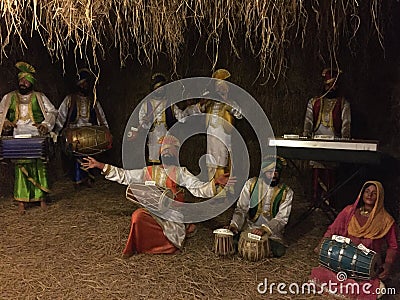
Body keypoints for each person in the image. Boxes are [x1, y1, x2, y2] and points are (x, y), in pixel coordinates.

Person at [81, 135, 232, 257]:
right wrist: (100, 165)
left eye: (170, 151)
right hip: (153, 211)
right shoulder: (149, 170)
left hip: (172, 213)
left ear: (175, 154)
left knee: (173, 234)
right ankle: (143, 247)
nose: (166, 153)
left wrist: (216, 183)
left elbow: (198, 189)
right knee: (137, 216)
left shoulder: (180, 172)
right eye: (164, 150)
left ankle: (174, 238)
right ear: (160, 153)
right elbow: (125, 176)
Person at [310, 181, 398, 300]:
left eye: (374, 193)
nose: (369, 195)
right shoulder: (349, 212)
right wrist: (321, 246)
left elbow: (393, 246)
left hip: (366, 267)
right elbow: (332, 230)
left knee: (376, 288)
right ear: (362, 193)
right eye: (367, 191)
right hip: (343, 263)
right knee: (321, 275)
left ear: (380, 196)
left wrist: (387, 264)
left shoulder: (386, 220)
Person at [0, 61, 58, 214]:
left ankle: (41, 198)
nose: (23, 83)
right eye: (21, 80)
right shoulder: (9, 97)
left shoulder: (40, 97)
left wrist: (45, 124)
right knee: (21, 169)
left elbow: (52, 112)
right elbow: (0, 113)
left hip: (36, 137)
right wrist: (5, 122)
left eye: (26, 80)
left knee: (39, 167)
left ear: (31, 82)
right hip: (17, 137)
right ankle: (21, 201)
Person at [226, 156, 294, 257]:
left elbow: (281, 219)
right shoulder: (251, 184)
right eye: (270, 172)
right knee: (230, 241)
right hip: (249, 229)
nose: (273, 175)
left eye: (276, 172)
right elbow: (241, 209)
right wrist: (234, 225)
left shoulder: (286, 192)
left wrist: (264, 230)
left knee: (279, 251)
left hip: (271, 234)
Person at [303, 68, 351, 206]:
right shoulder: (314, 102)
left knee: (332, 173)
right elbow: (308, 122)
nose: (332, 88)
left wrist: (344, 141)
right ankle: (316, 202)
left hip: (334, 142)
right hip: (316, 142)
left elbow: (346, 124)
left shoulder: (343, 103)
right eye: (329, 85)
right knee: (316, 172)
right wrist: (306, 138)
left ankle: (330, 203)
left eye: (334, 85)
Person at [55, 68, 109, 187]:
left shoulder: (93, 100)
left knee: (91, 151)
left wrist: (106, 130)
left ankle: (89, 177)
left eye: (86, 83)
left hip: (90, 131)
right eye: (82, 83)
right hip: (74, 132)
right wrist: (56, 132)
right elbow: (61, 116)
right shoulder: (70, 99)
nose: (84, 86)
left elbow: (101, 116)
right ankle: (78, 179)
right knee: (75, 154)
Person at [201, 69, 242, 196]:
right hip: (211, 136)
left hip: (223, 135)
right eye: (217, 86)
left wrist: (228, 104)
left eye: (222, 86)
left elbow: (239, 114)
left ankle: (225, 190)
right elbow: (201, 108)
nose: (220, 89)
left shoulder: (230, 103)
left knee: (223, 160)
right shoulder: (210, 103)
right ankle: (213, 188)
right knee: (211, 161)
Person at [129, 73, 185, 164]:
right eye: (158, 87)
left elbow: (181, 117)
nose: (160, 90)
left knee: (167, 156)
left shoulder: (170, 104)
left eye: (162, 87)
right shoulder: (146, 105)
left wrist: (186, 114)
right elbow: (142, 122)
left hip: (167, 134)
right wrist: (145, 121)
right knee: (154, 157)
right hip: (153, 135)